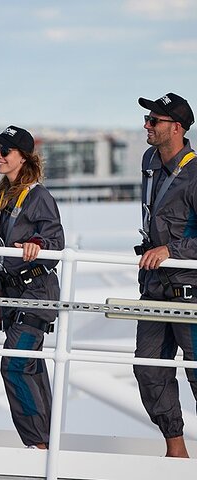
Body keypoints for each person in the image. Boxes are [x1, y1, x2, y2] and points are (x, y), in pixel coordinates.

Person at [0, 125, 64, 449]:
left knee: (15, 364)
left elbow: (56, 243)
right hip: (12, 295)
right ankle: (49, 442)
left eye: (5, 151)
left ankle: (38, 445)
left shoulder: (39, 196)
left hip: (37, 293)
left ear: (23, 157)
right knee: (28, 365)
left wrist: (37, 243)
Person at [134, 92, 197, 458]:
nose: (146, 125)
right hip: (153, 286)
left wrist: (171, 250)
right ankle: (176, 449)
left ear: (176, 128)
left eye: (153, 121)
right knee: (148, 367)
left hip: (189, 290)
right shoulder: (149, 160)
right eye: (146, 119)